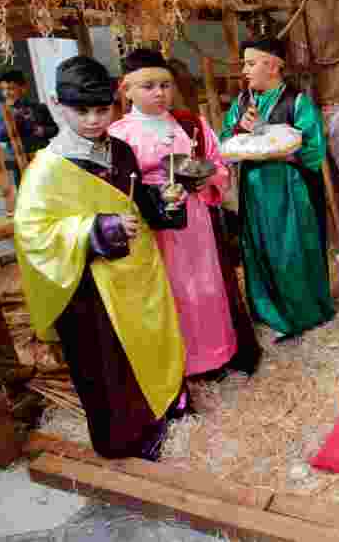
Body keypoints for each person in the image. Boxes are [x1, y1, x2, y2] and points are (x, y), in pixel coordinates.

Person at [13, 56, 191, 460]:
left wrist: (167, 202)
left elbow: (136, 202)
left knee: (153, 339)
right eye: (82, 111)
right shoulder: (48, 169)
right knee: (109, 364)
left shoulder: (121, 150)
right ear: (57, 104)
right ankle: (129, 437)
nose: (94, 120)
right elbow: (33, 234)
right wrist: (100, 228)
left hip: (139, 271)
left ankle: (166, 406)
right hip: (90, 288)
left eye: (102, 109)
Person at [109, 49, 260, 380]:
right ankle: (182, 363)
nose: (159, 93)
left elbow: (217, 163)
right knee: (173, 291)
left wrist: (208, 180)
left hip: (196, 220)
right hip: (155, 226)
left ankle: (216, 354)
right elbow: (117, 189)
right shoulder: (119, 135)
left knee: (206, 286)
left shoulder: (191, 124)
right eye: (148, 86)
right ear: (127, 89)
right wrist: (153, 197)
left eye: (165, 85)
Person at [220, 35, 335, 341]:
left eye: (251, 63)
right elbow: (225, 140)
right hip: (253, 189)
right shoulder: (242, 102)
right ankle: (266, 308)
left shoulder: (297, 102)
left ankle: (302, 311)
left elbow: (314, 150)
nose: (244, 70)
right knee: (258, 246)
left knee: (290, 247)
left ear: (273, 67)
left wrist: (283, 148)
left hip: (289, 190)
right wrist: (240, 128)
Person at [0, 69, 59, 156]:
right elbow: (0, 136)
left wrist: (44, 130)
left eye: (10, 88)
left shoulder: (38, 107)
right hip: (19, 157)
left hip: (44, 154)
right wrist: (15, 116)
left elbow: (54, 129)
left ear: (23, 88)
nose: (6, 93)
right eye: (2, 89)